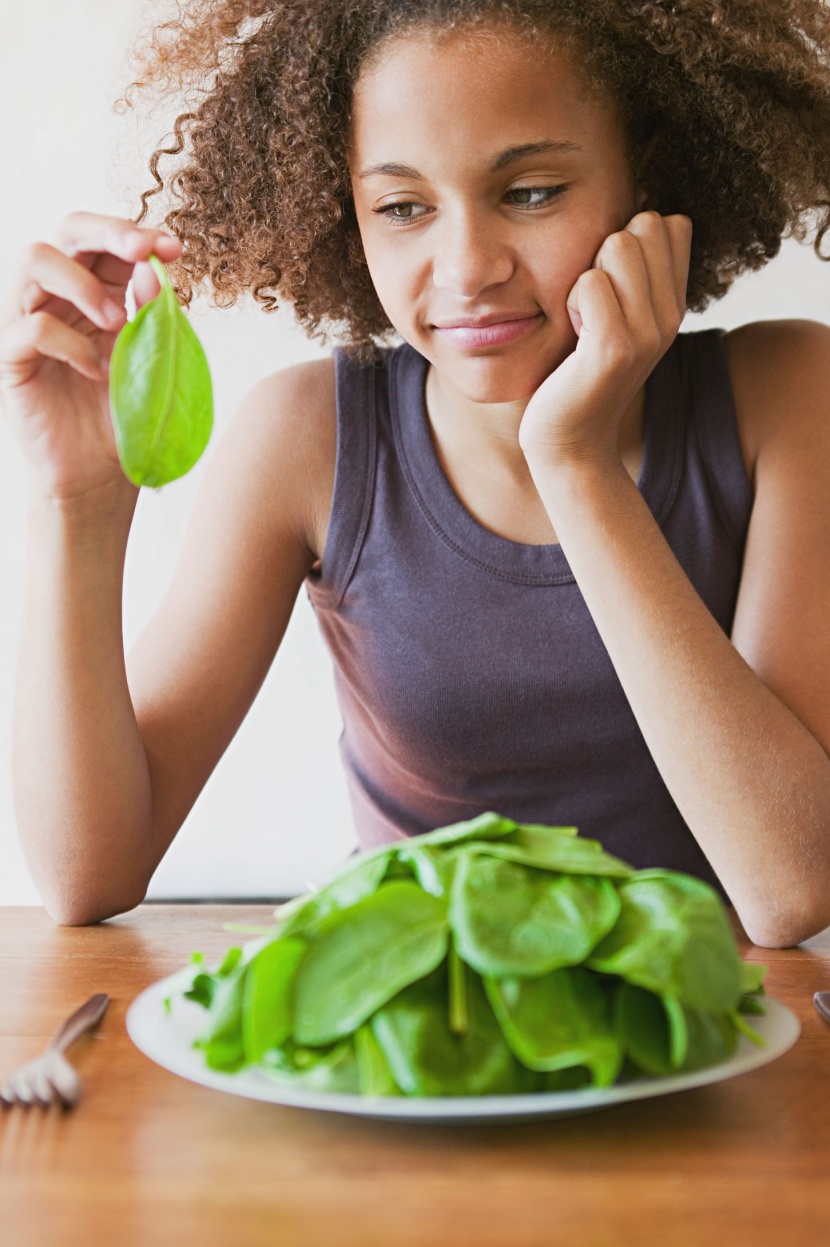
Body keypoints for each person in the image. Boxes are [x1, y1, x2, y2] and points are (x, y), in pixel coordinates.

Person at [2, 0, 830, 946]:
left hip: (708, 1047)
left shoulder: (789, 397)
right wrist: (79, 504)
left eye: (531, 192)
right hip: (416, 1054)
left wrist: (573, 460)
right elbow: (86, 874)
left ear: (645, 178)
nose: (467, 267)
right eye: (403, 207)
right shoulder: (309, 437)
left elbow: (791, 885)